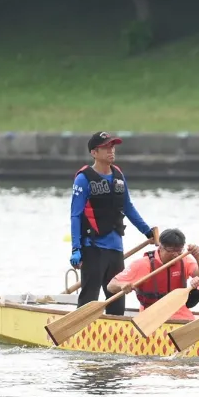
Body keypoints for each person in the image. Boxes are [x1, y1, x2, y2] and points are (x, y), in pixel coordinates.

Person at [69, 131, 156, 315]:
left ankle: (114, 337)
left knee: (116, 297)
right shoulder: (83, 178)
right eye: (106, 147)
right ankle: (80, 331)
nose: (111, 151)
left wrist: (147, 231)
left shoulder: (117, 175)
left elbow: (128, 207)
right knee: (89, 297)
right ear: (94, 152)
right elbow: (75, 215)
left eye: (112, 146)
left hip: (116, 248)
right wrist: (76, 248)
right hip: (93, 247)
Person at [106, 228, 199, 321]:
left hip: (178, 311)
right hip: (151, 313)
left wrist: (197, 257)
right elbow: (111, 286)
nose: (175, 255)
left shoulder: (184, 260)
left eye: (179, 251)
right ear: (161, 247)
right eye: (171, 251)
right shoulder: (143, 264)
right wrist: (122, 285)